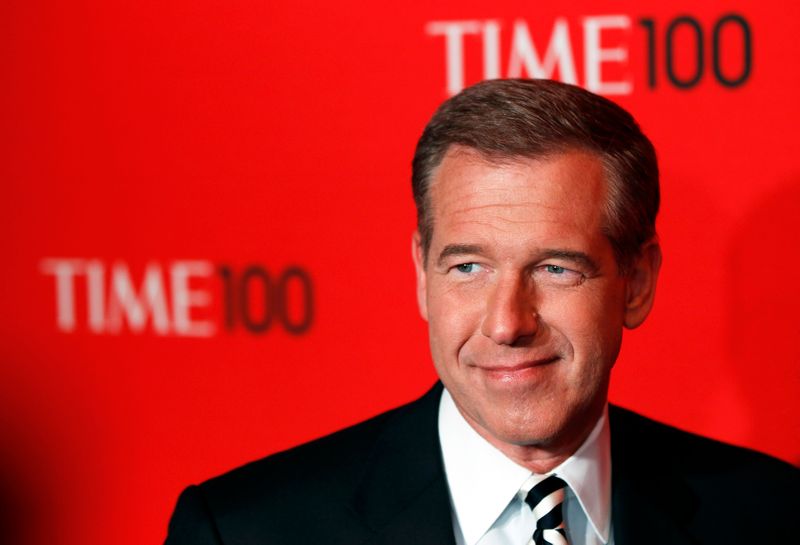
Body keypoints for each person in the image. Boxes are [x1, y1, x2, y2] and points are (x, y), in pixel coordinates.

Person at [164, 79, 799, 545]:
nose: (506, 323)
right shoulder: (244, 531)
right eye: (468, 267)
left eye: (555, 268)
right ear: (421, 273)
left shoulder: (772, 515)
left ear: (636, 283)